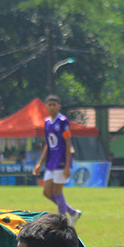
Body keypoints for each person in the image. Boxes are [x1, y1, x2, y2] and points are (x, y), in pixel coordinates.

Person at [32, 95, 82, 225]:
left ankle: (63, 223)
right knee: (47, 192)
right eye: (49, 105)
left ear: (59, 106)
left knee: (57, 191)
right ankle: (72, 212)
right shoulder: (47, 122)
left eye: (54, 105)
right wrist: (39, 163)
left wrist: (67, 165)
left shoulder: (63, 121)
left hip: (61, 161)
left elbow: (68, 142)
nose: (52, 107)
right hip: (51, 161)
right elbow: (48, 144)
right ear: (46, 106)